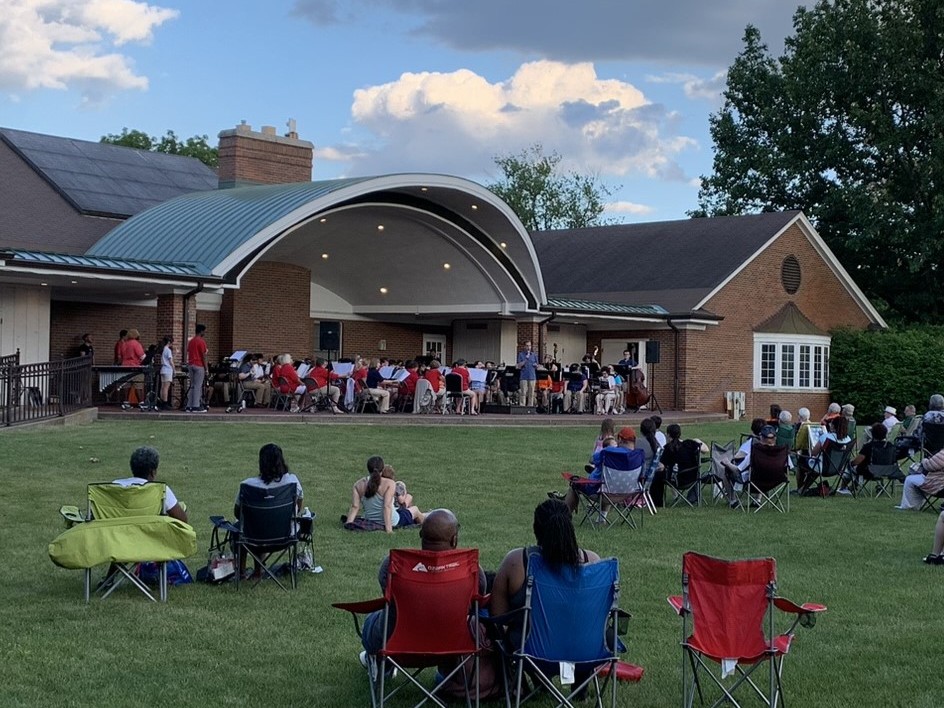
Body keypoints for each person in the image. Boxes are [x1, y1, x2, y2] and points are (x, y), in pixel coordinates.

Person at [359, 509, 486, 662]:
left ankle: (382, 665)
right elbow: (476, 605)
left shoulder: (393, 565)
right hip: (452, 648)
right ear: (454, 540)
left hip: (397, 646)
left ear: (420, 535)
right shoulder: (472, 571)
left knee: (373, 618)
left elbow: (387, 596)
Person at [490, 500, 601, 672]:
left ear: (536, 529)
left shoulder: (517, 562)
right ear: (569, 528)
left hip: (532, 652)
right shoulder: (592, 562)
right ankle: (580, 688)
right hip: (586, 652)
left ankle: (525, 683)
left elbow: (498, 617)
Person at [234, 443, 304, 577]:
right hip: (285, 537)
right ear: (281, 462)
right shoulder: (292, 482)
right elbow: (297, 509)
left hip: (252, 538)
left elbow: (238, 514)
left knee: (243, 527)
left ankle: (242, 571)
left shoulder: (247, 485)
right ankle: (257, 571)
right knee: (260, 523)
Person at [560, 427, 643, 515]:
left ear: (620, 439)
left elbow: (592, 459)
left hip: (602, 493)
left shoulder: (609, 452)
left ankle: (564, 516)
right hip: (627, 494)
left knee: (575, 484)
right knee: (609, 482)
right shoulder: (639, 455)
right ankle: (601, 519)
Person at [346, 456, 424, 533]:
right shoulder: (389, 483)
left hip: (370, 519)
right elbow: (386, 507)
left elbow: (355, 507)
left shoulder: (358, 485)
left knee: (402, 510)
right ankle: (428, 526)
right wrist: (389, 530)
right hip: (393, 521)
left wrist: (348, 524)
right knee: (415, 510)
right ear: (382, 469)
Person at [112, 446, 187, 523]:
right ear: (153, 472)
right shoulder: (161, 490)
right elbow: (182, 519)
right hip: (149, 532)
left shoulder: (114, 486)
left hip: (117, 533)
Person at [186, 324, 209, 412]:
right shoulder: (201, 341)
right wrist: (206, 368)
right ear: (201, 331)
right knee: (198, 386)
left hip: (191, 364)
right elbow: (204, 356)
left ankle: (189, 405)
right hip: (199, 365)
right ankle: (196, 405)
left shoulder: (191, 341)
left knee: (192, 385)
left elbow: (189, 351)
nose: (204, 333)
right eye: (204, 331)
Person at [516, 340, 538, 407]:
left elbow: (537, 365)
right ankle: (522, 406)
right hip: (524, 376)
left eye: (530, 345)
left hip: (532, 376)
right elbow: (519, 365)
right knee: (523, 392)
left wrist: (536, 365)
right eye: (527, 345)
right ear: (524, 346)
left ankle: (530, 406)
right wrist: (526, 359)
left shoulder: (534, 355)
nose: (529, 347)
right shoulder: (521, 354)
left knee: (531, 393)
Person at [158, 335, 175, 410]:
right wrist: (174, 369)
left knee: (162, 387)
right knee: (166, 387)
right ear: (169, 342)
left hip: (163, 369)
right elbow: (171, 361)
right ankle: (165, 402)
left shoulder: (163, 349)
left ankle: (161, 401)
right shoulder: (168, 350)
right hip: (168, 369)